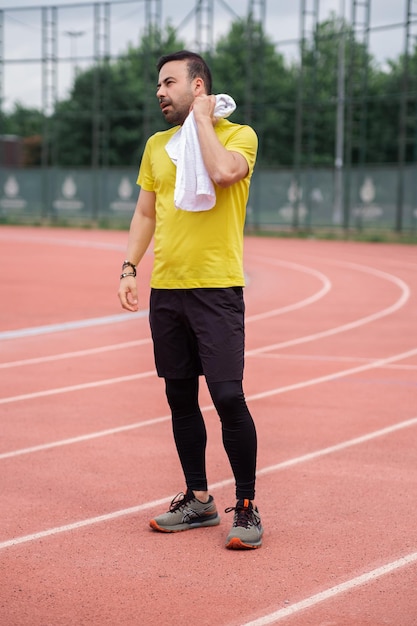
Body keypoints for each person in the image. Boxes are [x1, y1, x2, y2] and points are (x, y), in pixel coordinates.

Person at [118, 50, 263, 550]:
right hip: (169, 292)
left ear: (198, 86)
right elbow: (145, 213)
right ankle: (199, 499)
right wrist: (129, 267)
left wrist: (203, 120)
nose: (160, 91)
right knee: (179, 397)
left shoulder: (238, 136)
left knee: (227, 396)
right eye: (158, 84)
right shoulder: (157, 146)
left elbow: (223, 173)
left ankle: (245, 506)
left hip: (217, 288)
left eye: (169, 82)